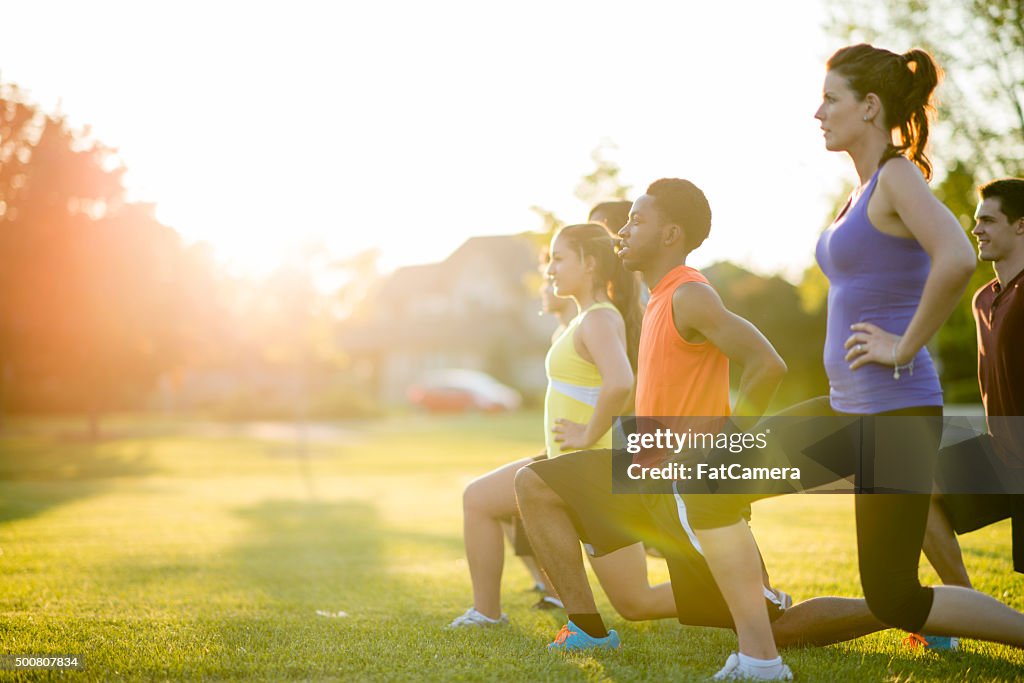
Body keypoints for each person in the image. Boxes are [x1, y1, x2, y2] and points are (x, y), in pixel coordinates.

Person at [678, 45, 1024, 680]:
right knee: (710, 480)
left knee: (896, 595)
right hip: (848, 410)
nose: (818, 112)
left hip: (895, 416)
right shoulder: (860, 190)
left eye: (831, 99)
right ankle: (760, 658)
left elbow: (954, 255)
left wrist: (904, 344)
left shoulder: (897, 177)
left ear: (870, 107)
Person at [516, 178, 888, 658]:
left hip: (687, 487)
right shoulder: (656, 298)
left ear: (670, 235)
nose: (623, 230)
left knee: (775, 630)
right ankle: (586, 627)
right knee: (536, 484)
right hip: (644, 474)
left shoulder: (688, 293)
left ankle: (899, 606)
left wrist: (727, 446)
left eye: (637, 220)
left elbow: (767, 363)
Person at [450, 222, 673, 626]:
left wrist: (587, 434)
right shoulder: (582, 319)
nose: (550, 268)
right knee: (479, 498)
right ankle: (486, 612)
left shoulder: (600, 319)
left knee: (638, 603)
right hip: (566, 467)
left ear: (589, 264)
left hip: (595, 474)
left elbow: (621, 380)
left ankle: (739, 590)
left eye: (558, 258)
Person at [923, 178, 1024, 594]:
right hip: (1002, 453)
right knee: (909, 486)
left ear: (1021, 226)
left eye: (988, 220)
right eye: (976, 220)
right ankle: (964, 606)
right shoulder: (983, 298)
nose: (976, 229)